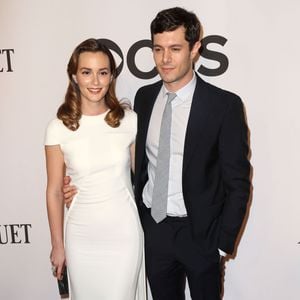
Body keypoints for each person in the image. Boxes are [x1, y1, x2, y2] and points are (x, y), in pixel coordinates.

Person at [64, 7, 251, 300]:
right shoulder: (145, 97)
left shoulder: (223, 106)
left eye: (175, 49)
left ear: (195, 49)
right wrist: (87, 185)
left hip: (201, 234)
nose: (165, 59)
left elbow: (238, 181)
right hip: (154, 229)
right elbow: (135, 164)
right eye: (158, 49)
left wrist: (221, 243)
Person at [44, 38, 146, 300]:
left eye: (103, 73)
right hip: (80, 236)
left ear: (112, 76)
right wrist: (58, 246)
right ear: (74, 76)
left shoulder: (129, 121)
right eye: (86, 72)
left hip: (124, 234)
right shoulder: (58, 127)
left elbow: (144, 179)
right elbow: (55, 190)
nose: (95, 81)